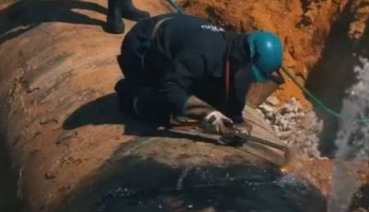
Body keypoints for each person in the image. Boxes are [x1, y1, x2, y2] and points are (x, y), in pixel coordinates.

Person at [115, 13, 284, 140]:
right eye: (251, 77)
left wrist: (236, 122)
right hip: (142, 47)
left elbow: (232, 91)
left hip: (176, 49)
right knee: (171, 110)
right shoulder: (203, 54)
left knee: (208, 98)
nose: (250, 82)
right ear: (246, 60)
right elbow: (170, 89)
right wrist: (206, 113)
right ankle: (132, 96)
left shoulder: (233, 55)